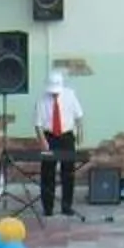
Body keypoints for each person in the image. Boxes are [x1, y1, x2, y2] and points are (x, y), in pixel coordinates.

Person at [34, 71, 85, 217]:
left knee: (68, 173)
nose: (55, 94)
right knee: (47, 173)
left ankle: (66, 206)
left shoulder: (70, 95)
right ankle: (48, 207)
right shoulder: (41, 100)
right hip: (50, 137)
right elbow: (38, 125)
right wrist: (43, 141)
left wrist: (80, 134)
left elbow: (79, 117)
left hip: (67, 137)